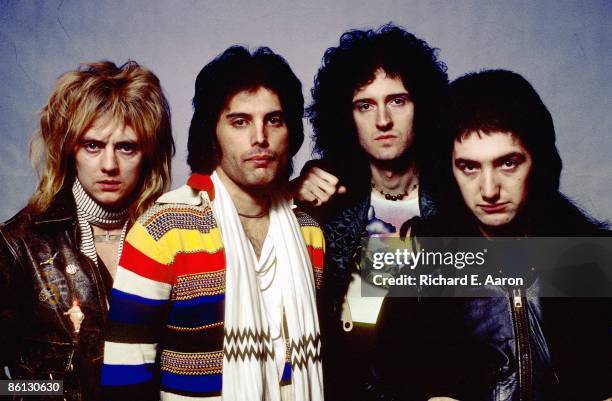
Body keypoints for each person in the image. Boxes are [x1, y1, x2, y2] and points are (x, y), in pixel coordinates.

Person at [101, 46, 325, 401]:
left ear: (290, 131)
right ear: (212, 132)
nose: (260, 138)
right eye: (240, 121)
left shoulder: (309, 230)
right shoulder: (164, 229)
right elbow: (125, 374)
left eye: (274, 120)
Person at [381, 70, 611, 401]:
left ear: (539, 162)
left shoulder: (596, 262)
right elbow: (384, 384)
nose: (488, 190)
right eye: (469, 167)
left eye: (508, 164)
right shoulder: (422, 273)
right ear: (450, 170)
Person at [0, 61, 174, 401]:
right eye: (92, 145)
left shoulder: (171, 236)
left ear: (148, 155)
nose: (109, 165)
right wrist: (54, 393)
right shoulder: (19, 246)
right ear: (70, 151)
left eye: (127, 147)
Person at [291, 23, 448, 400]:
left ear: (421, 105)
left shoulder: (459, 198)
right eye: (365, 105)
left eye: (397, 100)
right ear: (347, 118)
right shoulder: (325, 203)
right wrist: (287, 193)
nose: (382, 121)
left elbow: (547, 277)